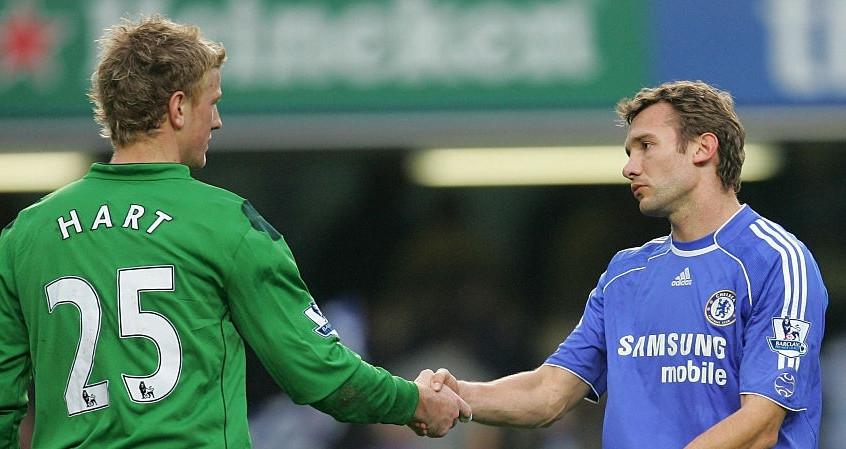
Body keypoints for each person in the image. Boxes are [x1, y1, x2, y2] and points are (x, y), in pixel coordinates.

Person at [0, 15, 469, 448]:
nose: (218, 120)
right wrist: (412, 402)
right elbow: (317, 370)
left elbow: (3, 399)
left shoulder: (26, 235)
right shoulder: (227, 224)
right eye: (213, 103)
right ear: (178, 108)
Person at [424, 80, 828, 448]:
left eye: (646, 146)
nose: (630, 167)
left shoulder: (776, 260)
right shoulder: (626, 274)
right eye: (629, 152)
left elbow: (760, 425)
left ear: (703, 148)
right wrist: (455, 394)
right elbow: (548, 393)